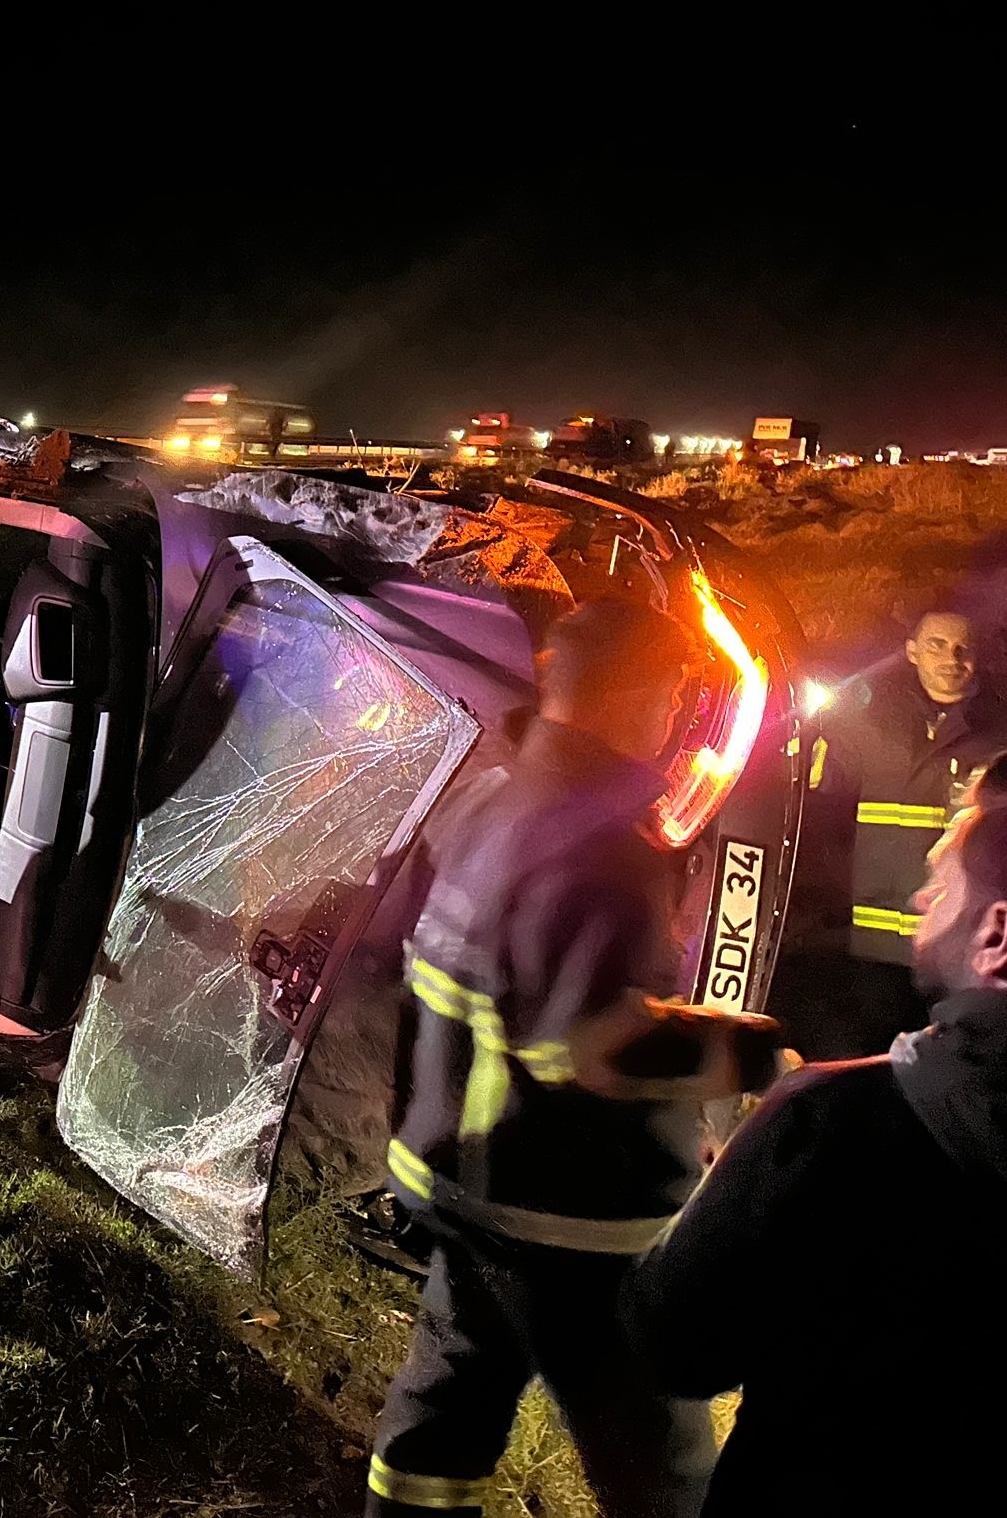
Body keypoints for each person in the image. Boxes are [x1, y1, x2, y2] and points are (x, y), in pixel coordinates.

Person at [369, 598, 779, 1518]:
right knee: (658, 1464)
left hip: (460, 1185)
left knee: (443, 1414)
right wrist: (753, 1057)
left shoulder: (482, 796)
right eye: (672, 693)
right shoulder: (599, 852)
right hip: (568, 1218)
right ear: (633, 695)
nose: (677, 717)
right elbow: (598, 1049)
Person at [625, 754, 1007, 1513]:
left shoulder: (835, 1122)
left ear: (997, 933)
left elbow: (669, 1344)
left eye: (944, 880)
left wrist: (720, 1191)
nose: (922, 896)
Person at [776, 607, 1002, 1059]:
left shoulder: (997, 732)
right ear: (912, 652)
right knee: (870, 1067)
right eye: (936, 644)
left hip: (954, 950)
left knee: (947, 1072)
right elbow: (822, 810)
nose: (951, 658)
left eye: (963, 649)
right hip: (874, 950)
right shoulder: (866, 724)